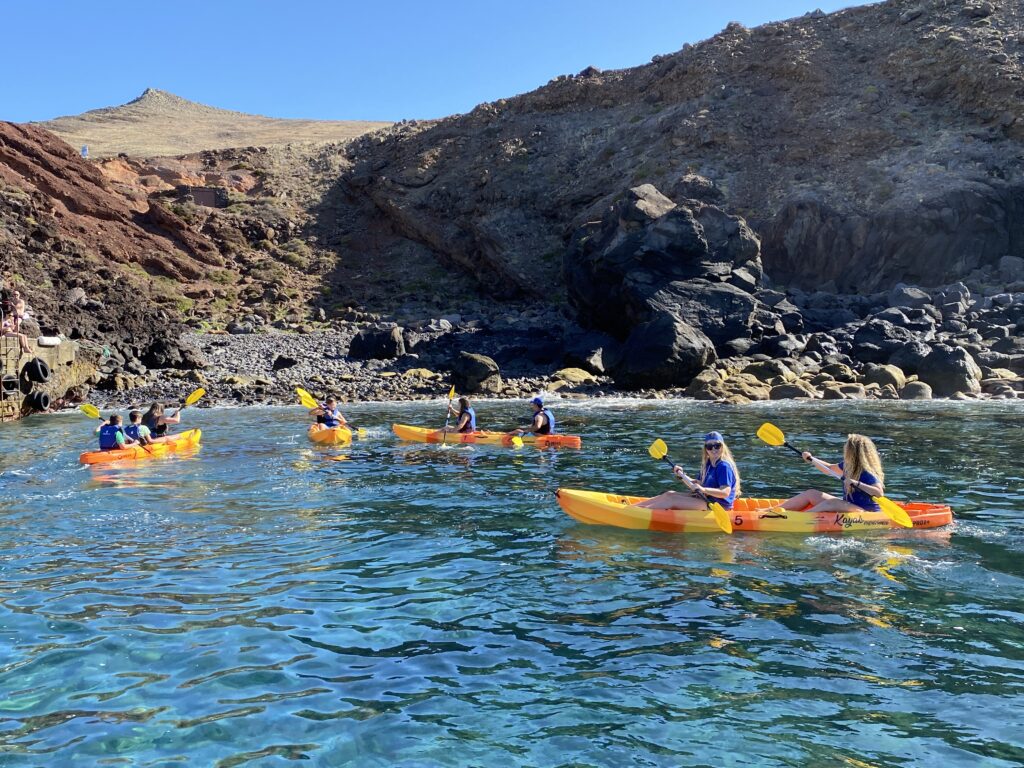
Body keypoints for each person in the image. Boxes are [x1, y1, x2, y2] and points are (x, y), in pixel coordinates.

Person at [780, 433, 884, 513]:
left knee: (832, 503)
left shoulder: (868, 473)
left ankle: (798, 518)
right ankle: (770, 512)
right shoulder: (848, 466)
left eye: (846, 447)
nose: (844, 448)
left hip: (865, 511)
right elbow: (828, 468)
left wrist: (856, 483)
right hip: (849, 505)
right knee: (811, 493)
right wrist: (811, 459)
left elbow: (879, 493)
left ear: (852, 452)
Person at [636, 431, 741, 510]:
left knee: (672, 500)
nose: (714, 449)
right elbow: (696, 485)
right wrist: (681, 475)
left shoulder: (723, 466)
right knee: (669, 494)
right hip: (705, 499)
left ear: (722, 447)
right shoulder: (708, 464)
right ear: (706, 449)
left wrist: (703, 490)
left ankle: (638, 513)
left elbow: (725, 492)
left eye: (717, 445)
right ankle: (632, 508)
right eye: (710, 446)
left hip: (717, 505)